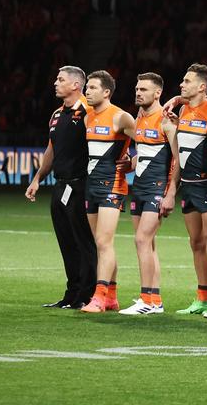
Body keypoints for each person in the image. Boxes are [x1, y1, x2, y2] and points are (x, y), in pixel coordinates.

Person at [25, 66, 96, 309]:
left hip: (81, 185)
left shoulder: (89, 111)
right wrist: (37, 179)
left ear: (76, 85)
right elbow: (51, 150)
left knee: (83, 242)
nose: (55, 83)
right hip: (60, 185)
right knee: (66, 241)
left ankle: (87, 295)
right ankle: (72, 293)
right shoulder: (56, 114)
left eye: (61, 79)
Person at [119, 73, 178, 315]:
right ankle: (155, 300)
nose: (138, 92)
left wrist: (171, 192)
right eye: (136, 88)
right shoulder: (139, 119)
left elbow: (178, 159)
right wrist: (130, 164)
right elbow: (145, 151)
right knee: (148, 244)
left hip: (157, 189)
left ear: (157, 94)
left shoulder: (165, 121)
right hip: (140, 188)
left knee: (142, 240)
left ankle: (146, 300)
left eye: (143, 89)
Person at [171, 63, 207, 315]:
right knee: (195, 242)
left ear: (202, 87)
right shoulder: (183, 109)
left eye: (187, 81)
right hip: (189, 185)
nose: (182, 84)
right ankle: (202, 297)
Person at [79, 70, 133, 313]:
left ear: (106, 92)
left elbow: (146, 143)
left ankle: (99, 298)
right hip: (92, 186)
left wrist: (132, 161)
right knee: (99, 243)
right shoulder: (87, 118)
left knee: (104, 241)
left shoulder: (120, 117)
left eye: (92, 88)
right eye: (86, 88)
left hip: (113, 185)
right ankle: (111, 296)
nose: (87, 92)